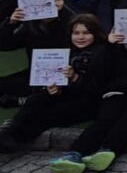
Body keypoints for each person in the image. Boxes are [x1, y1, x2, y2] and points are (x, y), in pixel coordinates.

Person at [49, 30, 127, 173]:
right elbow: (98, 71)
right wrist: (109, 45)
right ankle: (74, 154)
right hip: (117, 94)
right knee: (103, 122)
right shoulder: (113, 52)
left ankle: (107, 151)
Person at [0, 14, 107, 152]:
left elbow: (97, 88)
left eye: (86, 33)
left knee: (47, 116)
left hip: (90, 102)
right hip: (68, 94)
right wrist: (56, 88)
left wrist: (75, 79)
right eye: (76, 33)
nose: (80, 37)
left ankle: (14, 138)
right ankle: (8, 133)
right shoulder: (70, 51)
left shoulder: (103, 53)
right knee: (36, 100)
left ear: (95, 33)